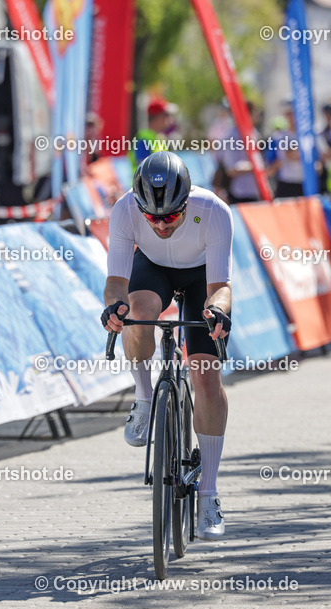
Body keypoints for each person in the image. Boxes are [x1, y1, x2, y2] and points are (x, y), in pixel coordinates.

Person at [101, 151, 233, 540]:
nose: (160, 224)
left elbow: (220, 287)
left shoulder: (214, 211)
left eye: (171, 216)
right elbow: (116, 282)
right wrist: (113, 308)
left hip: (201, 278)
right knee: (136, 314)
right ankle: (143, 400)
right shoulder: (125, 210)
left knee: (207, 378)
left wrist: (217, 312)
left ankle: (208, 494)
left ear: (187, 202)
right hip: (152, 269)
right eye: (152, 217)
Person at [268, 101, 304, 198]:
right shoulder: (277, 137)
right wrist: (285, 158)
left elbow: (320, 165)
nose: (293, 117)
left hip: (305, 184)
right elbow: (269, 169)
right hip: (285, 184)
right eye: (290, 114)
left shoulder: (309, 136)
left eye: (295, 113)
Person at [135, 98, 177, 164]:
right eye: (166, 115)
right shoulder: (143, 139)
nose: (169, 120)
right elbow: (145, 169)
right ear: (156, 117)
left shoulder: (160, 139)